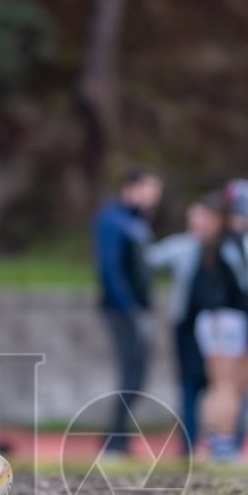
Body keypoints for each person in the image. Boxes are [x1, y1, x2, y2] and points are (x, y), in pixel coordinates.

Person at [196, 179, 248, 462]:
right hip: (227, 318)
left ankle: (216, 442)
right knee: (226, 386)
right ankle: (220, 444)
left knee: (226, 386)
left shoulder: (225, 237)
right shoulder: (237, 240)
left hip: (228, 318)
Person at [146, 192, 228, 455]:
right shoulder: (182, 246)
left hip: (217, 326)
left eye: (203, 215)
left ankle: (221, 443)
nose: (198, 220)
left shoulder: (223, 247)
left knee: (219, 383)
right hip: (186, 325)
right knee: (189, 384)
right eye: (194, 215)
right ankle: (189, 444)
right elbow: (148, 259)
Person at [93, 167, 163, 455]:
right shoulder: (113, 219)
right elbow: (110, 268)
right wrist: (129, 306)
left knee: (138, 374)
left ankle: (117, 437)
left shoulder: (137, 220)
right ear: (132, 187)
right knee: (131, 373)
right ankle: (115, 441)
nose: (155, 197)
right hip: (122, 310)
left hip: (137, 309)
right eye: (151, 189)